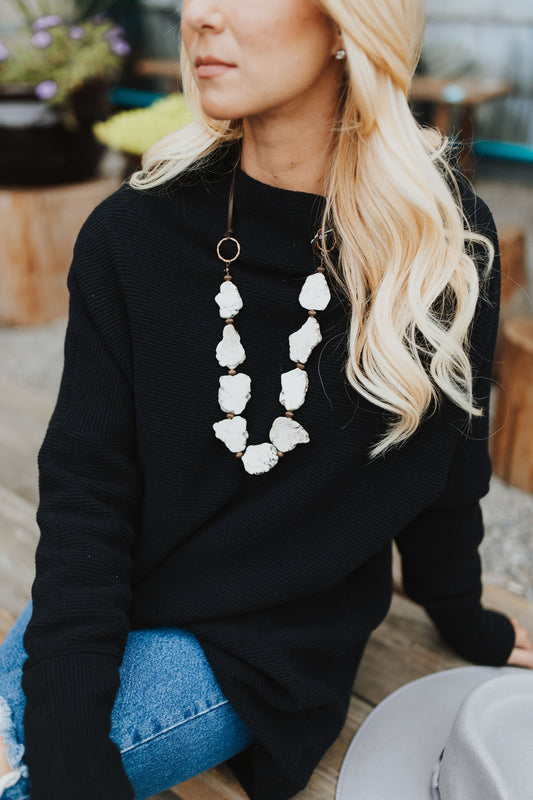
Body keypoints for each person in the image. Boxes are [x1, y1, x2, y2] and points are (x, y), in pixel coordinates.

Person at [1, 0, 532, 798]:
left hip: (261, 644)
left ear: (347, 25)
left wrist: (465, 616)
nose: (200, 16)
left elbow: (447, 476)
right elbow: (88, 493)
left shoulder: (438, 247)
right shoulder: (132, 233)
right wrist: (68, 732)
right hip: (108, 599)